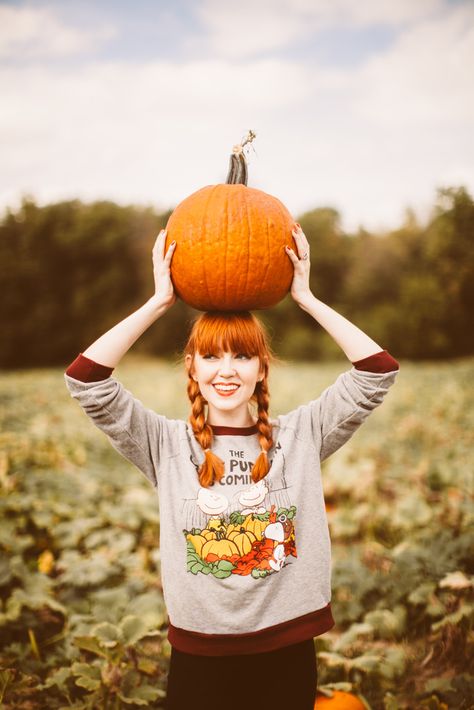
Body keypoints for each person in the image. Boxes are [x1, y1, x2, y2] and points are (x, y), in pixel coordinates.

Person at [64, 223, 399, 709]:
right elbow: (86, 382)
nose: (226, 371)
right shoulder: (166, 443)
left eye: (242, 356)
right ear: (192, 367)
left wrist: (304, 297)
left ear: (261, 368)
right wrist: (159, 301)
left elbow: (377, 373)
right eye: (211, 357)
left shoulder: (302, 435)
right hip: (201, 650)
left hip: (287, 643)